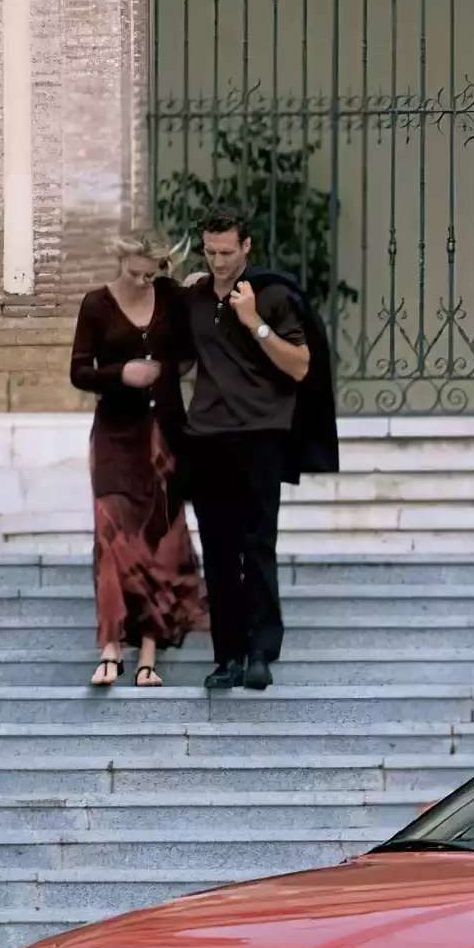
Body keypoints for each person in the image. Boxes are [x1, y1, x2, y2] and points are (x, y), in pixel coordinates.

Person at [179, 204, 313, 692]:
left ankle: (261, 652)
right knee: (217, 553)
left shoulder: (272, 294)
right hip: (207, 437)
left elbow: (299, 365)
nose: (218, 262)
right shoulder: (195, 297)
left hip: (259, 435)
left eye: (227, 252)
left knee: (256, 546)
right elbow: (179, 357)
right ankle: (228, 657)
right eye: (210, 252)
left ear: (247, 246)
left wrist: (254, 320)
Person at [70, 232, 208, 688]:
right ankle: (111, 647)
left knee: (160, 540)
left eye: (151, 275)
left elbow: (189, 352)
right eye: (135, 273)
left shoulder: (171, 297)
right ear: (121, 261)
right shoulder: (96, 304)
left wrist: (200, 287)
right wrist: (120, 374)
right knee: (110, 536)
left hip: (164, 434)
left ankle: (149, 653)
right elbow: (79, 371)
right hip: (114, 435)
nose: (143, 281)